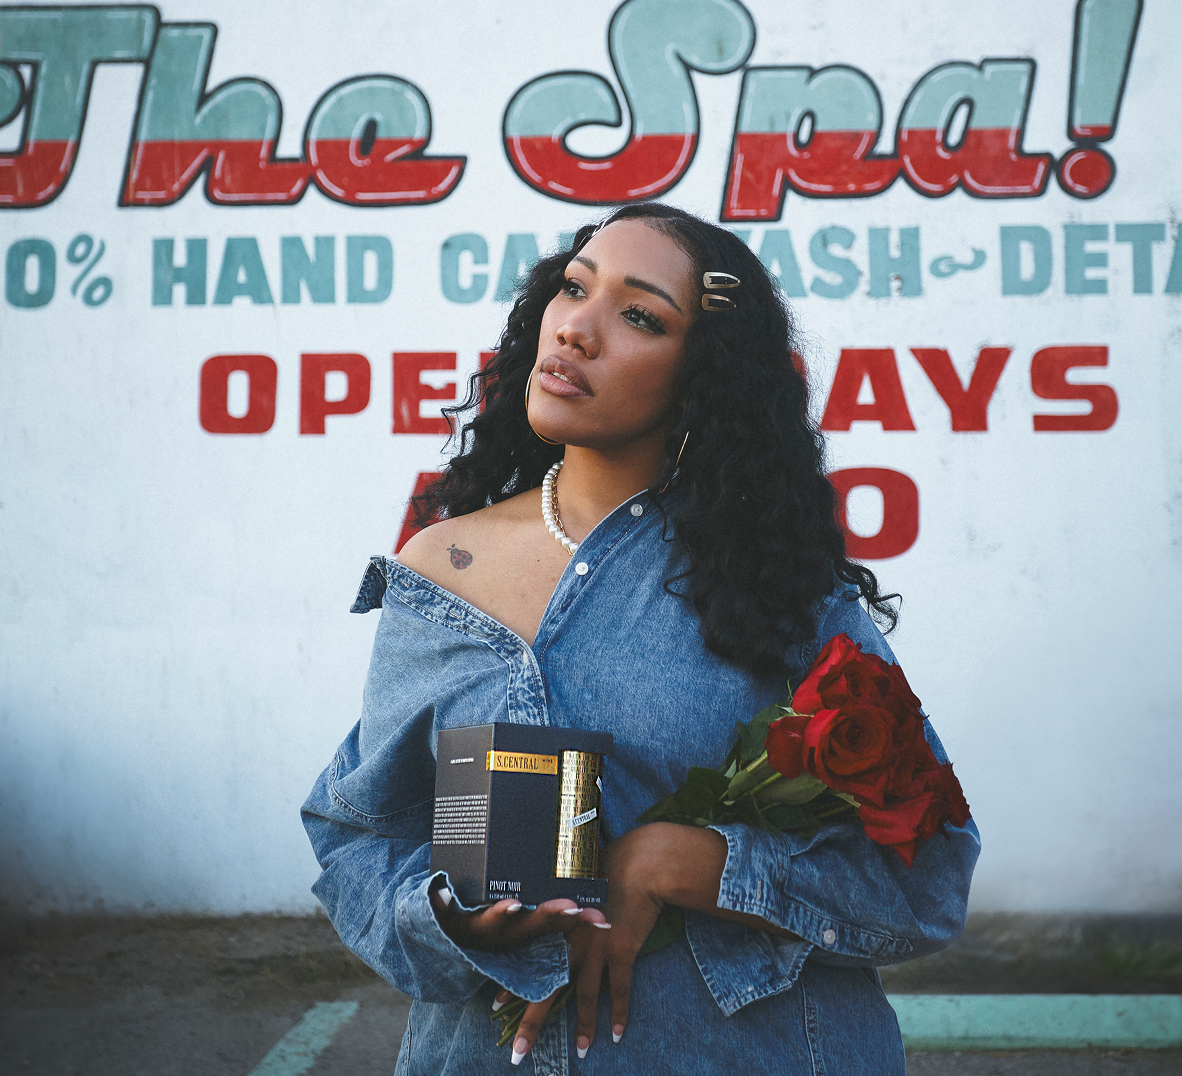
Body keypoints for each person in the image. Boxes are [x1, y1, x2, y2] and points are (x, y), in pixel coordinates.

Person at [301, 203, 980, 1075]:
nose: (578, 329)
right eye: (573, 288)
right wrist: (450, 918)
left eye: (639, 316)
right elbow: (358, 834)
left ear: (703, 376)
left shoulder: (773, 590)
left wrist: (693, 863)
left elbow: (927, 876)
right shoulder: (440, 565)